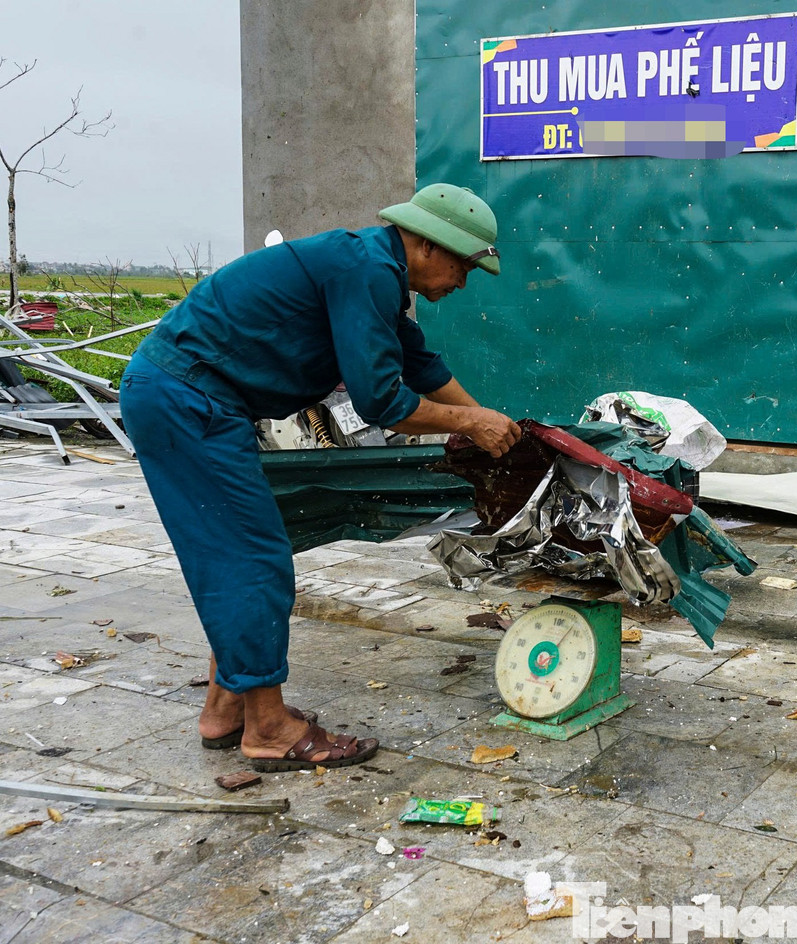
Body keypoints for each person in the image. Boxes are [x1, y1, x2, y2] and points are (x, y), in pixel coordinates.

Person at [121, 184, 522, 773]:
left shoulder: (373, 269)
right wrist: (471, 423)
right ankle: (269, 730)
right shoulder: (364, 270)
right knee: (251, 560)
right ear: (428, 247)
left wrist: (491, 430)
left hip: (194, 400)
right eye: (464, 266)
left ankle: (225, 711)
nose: (462, 283)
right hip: (188, 401)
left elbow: (421, 366)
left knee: (244, 554)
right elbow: (383, 399)